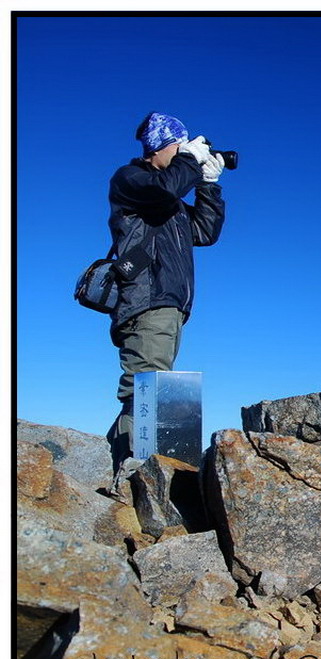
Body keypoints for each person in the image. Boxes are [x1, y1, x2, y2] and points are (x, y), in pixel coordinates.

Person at [105, 111, 226, 471]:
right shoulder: (133, 180)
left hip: (170, 304)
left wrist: (208, 184)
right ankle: (135, 475)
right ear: (157, 148)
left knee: (156, 387)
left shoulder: (168, 202)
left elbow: (205, 232)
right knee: (150, 385)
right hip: (146, 300)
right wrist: (190, 159)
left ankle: (143, 473)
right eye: (176, 147)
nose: (181, 153)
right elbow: (165, 188)